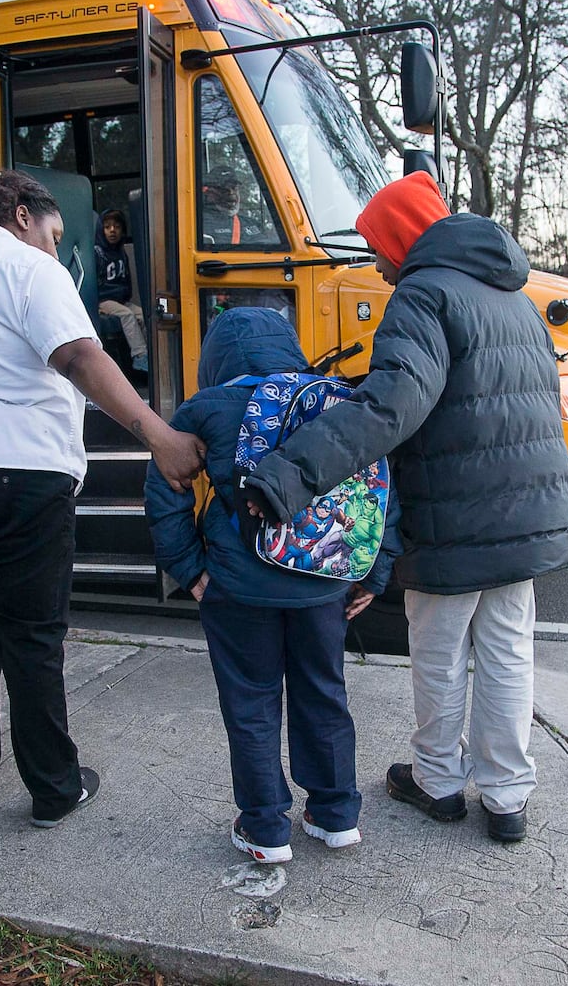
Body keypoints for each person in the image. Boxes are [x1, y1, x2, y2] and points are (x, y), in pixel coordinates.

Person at [242, 171, 568, 844]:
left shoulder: (424, 295)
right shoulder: (512, 297)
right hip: (527, 507)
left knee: (442, 653)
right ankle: (508, 798)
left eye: (378, 247)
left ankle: (437, 782)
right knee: (510, 651)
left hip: (454, 511)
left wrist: (287, 476)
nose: (377, 264)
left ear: (401, 239)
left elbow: (395, 407)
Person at [0, 169, 204, 829]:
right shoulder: (28, 269)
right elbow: (78, 356)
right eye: (53, 234)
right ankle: (54, 786)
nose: (55, 248)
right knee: (31, 634)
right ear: (22, 215)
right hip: (16, 473)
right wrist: (158, 434)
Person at [144, 307, 400, 863]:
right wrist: (372, 572)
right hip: (323, 584)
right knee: (324, 692)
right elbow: (381, 491)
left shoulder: (205, 408)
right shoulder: (337, 400)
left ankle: (264, 828)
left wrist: (189, 570)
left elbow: (166, 491)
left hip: (237, 589)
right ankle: (335, 815)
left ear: (216, 357)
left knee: (251, 702)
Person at [93, 208, 148, 372]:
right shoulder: (98, 253)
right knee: (127, 315)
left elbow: (127, 279)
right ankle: (140, 356)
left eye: (116, 227)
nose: (112, 231)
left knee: (144, 315)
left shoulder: (121, 252)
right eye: (107, 227)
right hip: (103, 300)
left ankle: (151, 354)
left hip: (121, 300)